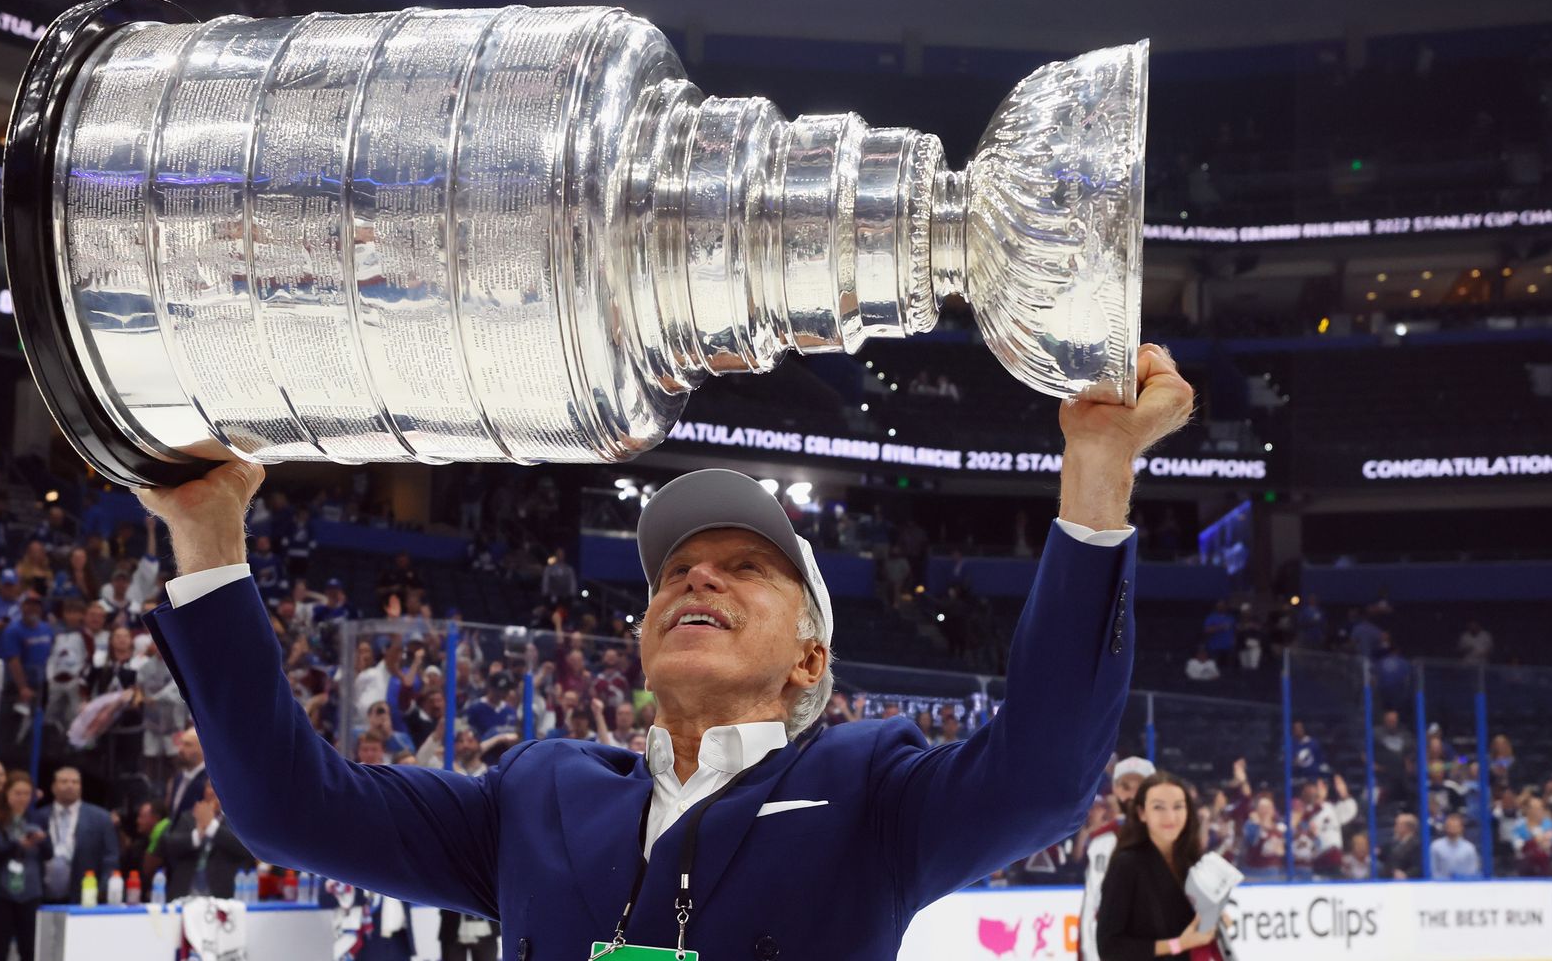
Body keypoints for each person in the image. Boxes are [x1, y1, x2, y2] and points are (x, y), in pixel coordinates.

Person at [132, 343, 1188, 954]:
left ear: (810, 659)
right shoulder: (535, 792)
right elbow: (286, 809)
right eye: (677, 569)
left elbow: (1049, 772)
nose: (697, 576)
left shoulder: (872, 787)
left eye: (748, 567)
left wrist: (1096, 476)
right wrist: (208, 536)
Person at [1096, 771, 1223, 960]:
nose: (1170, 817)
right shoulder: (1126, 865)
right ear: (1142, 813)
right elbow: (1109, 948)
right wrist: (1178, 944)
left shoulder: (1192, 862)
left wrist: (1214, 917)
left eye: (1178, 806)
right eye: (1158, 807)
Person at [1080, 757, 1154, 961]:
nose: (1131, 794)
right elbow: (1092, 903)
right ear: (1115, 790)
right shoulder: (1102, 841)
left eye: (1139, 786)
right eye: (1125, 786)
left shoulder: (1171, 836)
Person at [0, 770, 50, 961]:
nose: (22, 799)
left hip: (30, 892)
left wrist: (42, 841)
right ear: (7, 794)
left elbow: (48, 854)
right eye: (17, 793)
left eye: (26, 794)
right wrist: (14, 846)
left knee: (29, 948)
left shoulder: (37, 819)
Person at [32, 766, 120, 904]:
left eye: (75, 782)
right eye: (64, 781)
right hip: (43, 894)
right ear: (53, 787)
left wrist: (104, 888)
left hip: (85, 892)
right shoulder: (38, 817)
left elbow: (110, 856)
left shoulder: (100, 818)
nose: (70, 786)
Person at [160, 786, 254, 900]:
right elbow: (169, 846)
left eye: (217, 786)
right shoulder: (188, 817)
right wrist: (197, 835)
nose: (213, 791)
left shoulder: (236, 821)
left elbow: (246, 849)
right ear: (204, 791)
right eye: (210, 786)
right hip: (183, 894)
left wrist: (211, 827)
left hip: (222, 897)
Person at [1431, 813, 1480, 880]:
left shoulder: (1469, 848)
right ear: (1445, 827)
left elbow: (1472, 870)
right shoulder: (1436, 846)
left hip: (1464, 886)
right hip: (1441, 886)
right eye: (1450, 826)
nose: (1452, 828)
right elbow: (1433, 870)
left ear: (1461, 828)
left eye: (1455, 826)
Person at [1382, 813, 1422, 879]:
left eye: (1398, 824)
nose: (1395, 827)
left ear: (1407, 827)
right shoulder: (1394, 842)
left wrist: (1406, 874)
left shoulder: (1417, 844)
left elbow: (1418, 866)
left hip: (1409, 883)